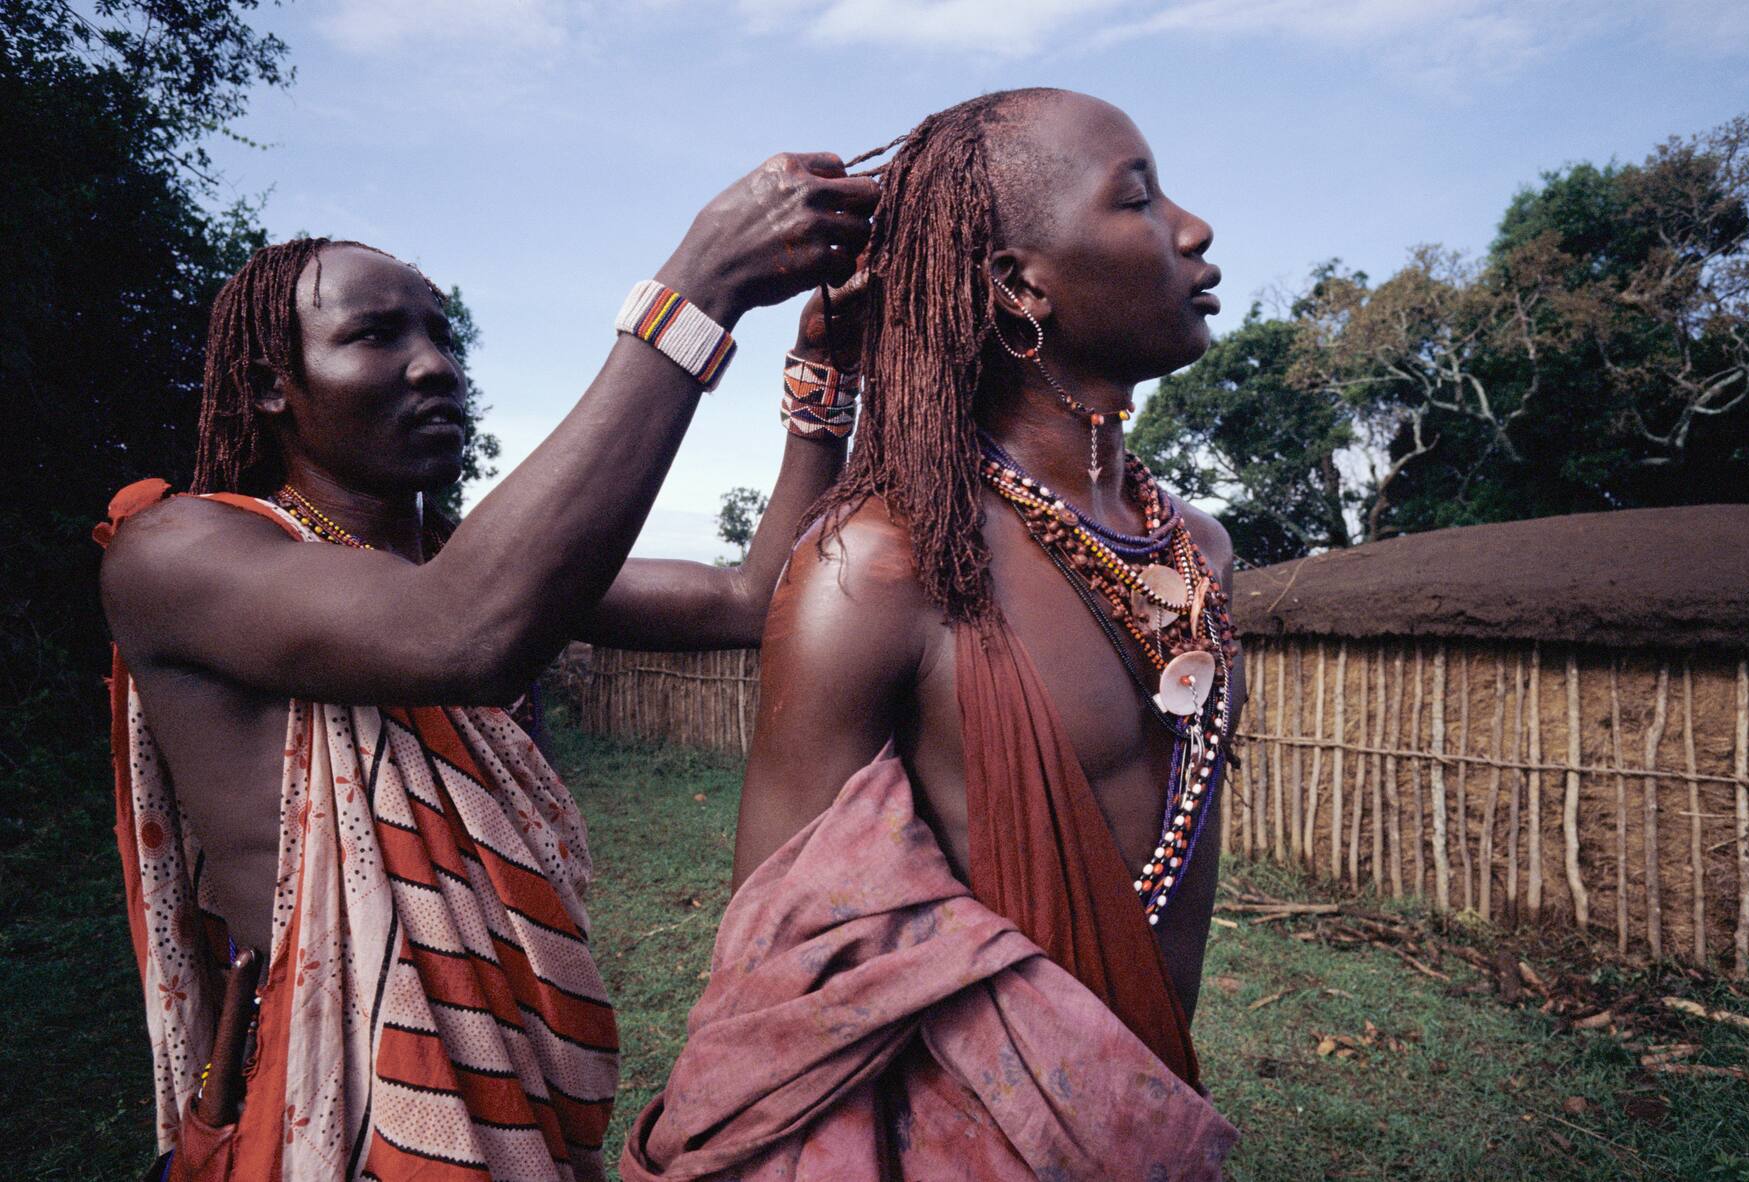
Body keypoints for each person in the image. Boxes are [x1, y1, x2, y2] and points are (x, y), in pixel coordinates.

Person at [96, 152, 876, 1181]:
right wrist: (696, 291)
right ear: (266, 387)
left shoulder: (476, 571)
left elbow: (753, 595)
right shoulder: (183, 553)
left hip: (528, 1087)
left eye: (440, 334)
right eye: (376, 335)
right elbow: (460, 635)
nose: (435, 364)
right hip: (337, 1113)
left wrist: (826, 381)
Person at [622, 89, 1242, 1181]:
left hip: (1150, 1116)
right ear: (1018, 283)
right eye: (1139, 198)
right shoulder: (882, 568)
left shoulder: (1197, 550)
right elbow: (782, 994)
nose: (1193, 230)